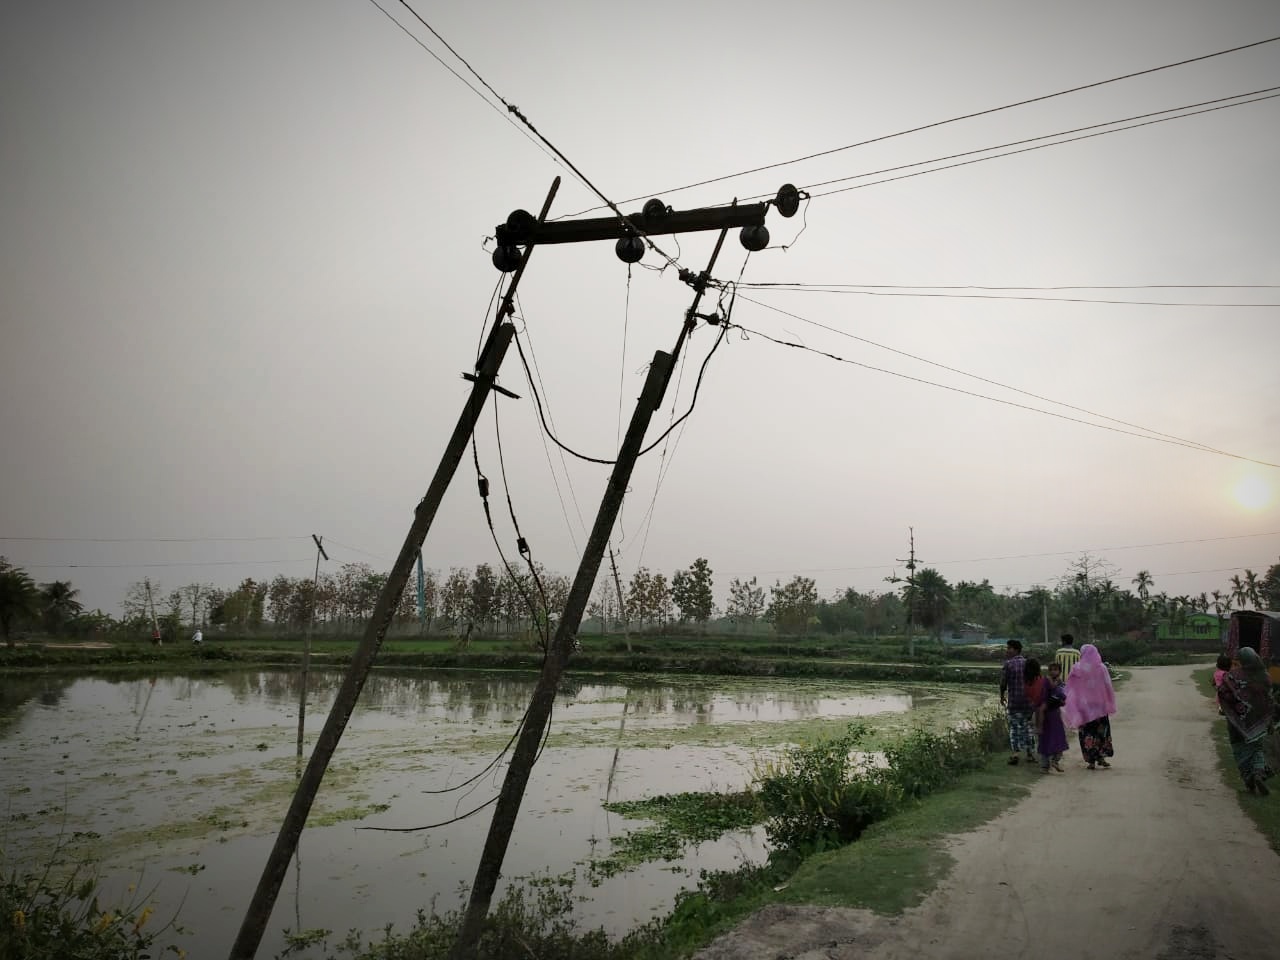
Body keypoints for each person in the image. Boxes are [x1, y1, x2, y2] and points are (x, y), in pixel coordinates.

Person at [1216, 647, 1275, 796]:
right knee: (1257, 749)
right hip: (1258, 722)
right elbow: (1269, 701)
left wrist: (1232, 708)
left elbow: (1222, 692)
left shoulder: (1232, 676)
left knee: (1239, 750)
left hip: (1236, 724)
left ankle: (1249, 781)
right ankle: (1258, 774)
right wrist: (1269, 721)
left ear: (1241, 660)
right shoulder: (1265, 677)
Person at [1063, 643, 1116, 770]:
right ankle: (1101, 757)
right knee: (1101, 732)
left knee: (1087, 733)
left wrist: (1072, 702)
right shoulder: (1101, 667)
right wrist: (1109, 700)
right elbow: (1108, 685)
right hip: (1100, 706)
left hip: (1084, 707)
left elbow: (1071, 686)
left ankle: (1091, 761)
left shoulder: (1077, 668)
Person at [1000, 639, 1035, 765]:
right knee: (1027, 727)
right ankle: (1030, 754)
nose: (1007, 651)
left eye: (1009, 648)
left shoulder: (1008, 664)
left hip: (1014, 702)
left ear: (1015, 650)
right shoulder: (1028, 664)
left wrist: (1001, 695)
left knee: (1014, 728)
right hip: (1028, 702)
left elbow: (1003, 682)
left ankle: (1015, 754)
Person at [1032, 660, 1069, 772]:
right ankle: (1045, 766)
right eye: (1051, 670)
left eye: (1056, 669)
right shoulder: (1046, 680)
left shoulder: (1061, 683)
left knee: (1058, 739)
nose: (1053, 672)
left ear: (1060, 671)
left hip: (1055, 714)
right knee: (1045, 739)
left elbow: (1063, 696)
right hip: (1045, 714)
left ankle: (1055, 761)